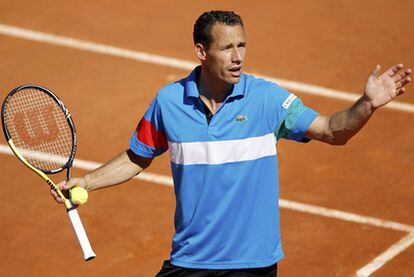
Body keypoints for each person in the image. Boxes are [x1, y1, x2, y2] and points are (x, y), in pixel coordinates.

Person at [51, 10, 411, 276]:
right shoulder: (169, 102)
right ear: (201, 52)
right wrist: (87, 181)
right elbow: (137, 156)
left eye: (242, 45)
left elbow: (332, 130)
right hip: (191, 259)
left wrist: (366, 105)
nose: (238, 57)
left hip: (251, 265)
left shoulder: (267, 100)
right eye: (227, 48)